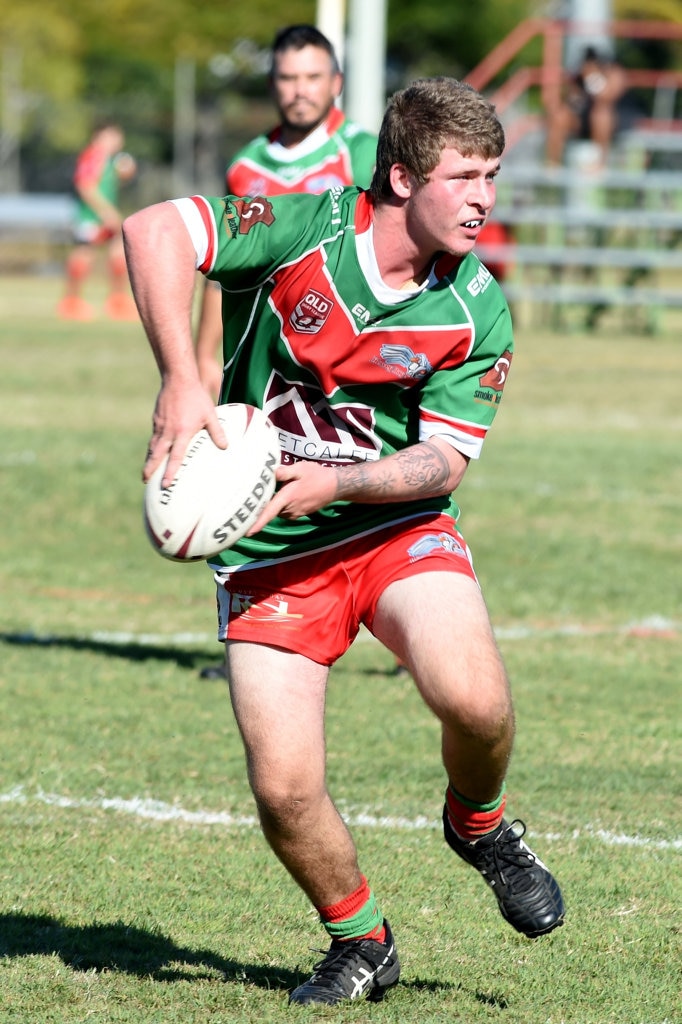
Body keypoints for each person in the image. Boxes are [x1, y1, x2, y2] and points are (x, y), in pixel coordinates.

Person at [123, 76, 565, 1007]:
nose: (486, 197)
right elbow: (154, 230)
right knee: (284, 788)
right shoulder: (299, 232)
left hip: (392, 525)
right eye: (466, 176)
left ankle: (479, 825)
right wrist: (181, 380)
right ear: (402, 179)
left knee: (475, 702)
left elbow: (442, 462)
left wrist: (338, 483)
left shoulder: (476, 306)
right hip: (271, 555)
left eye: (494, 174)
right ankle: (361, 939)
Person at [195, 23, 379, 680]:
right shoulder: (248, 166)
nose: (299, 91)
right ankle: (252, 634)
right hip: (264, 357)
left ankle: (402, 612)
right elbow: (223, 267)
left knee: (361, 479)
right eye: (287, 78)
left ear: (334, 82)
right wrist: (198, 368)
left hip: (349, 356)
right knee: (236, 486)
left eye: (311, 77)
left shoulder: (364, 154)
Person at [57, 120, 138, 322]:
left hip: (103, 217)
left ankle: (117, 301)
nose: (118, 141)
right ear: (99, 136)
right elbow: (85, 186)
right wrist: (106, 211)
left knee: (118, 250)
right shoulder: (93, 155)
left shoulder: (109, 160)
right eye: (113, 136)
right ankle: (71, 303)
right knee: (84, 254)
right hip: (91, 217)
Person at [545, 47, 630, 169]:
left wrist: (592, 78)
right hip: (583, 119)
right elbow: (572, 101)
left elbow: (605, 97)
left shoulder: (615, 72)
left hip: (614, 120)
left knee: (601, 115)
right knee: (560, 115)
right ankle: (553, 165)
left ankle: (600, 164)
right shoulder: (579, 76)